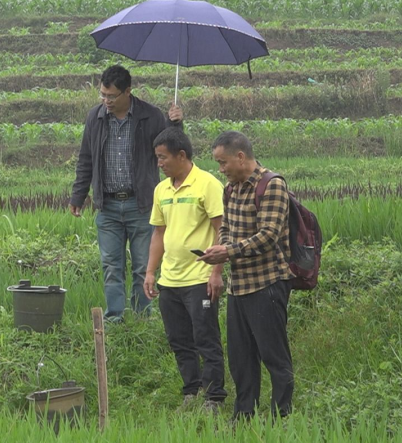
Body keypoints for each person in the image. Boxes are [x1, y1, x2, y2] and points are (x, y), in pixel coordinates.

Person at [70, 65, 183, 323]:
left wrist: (176, 124)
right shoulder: (95, 117)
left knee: (144, 266)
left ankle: (142, 318)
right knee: (111, 267)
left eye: (111, 96)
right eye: (102, 95)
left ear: (128, 92)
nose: (106, 101)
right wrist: (79, 195)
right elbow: (85, 158)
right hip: (108, 206)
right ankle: (115, 320)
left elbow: (174, 151)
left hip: (141, 204)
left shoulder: (151, 116)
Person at [199, 131, 294, 421]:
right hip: (238, 285)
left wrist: (227, 253)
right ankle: (244, 414)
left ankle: (282, 416)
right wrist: (222, 246)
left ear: (240, 157)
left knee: (273, 355)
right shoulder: (231, 189)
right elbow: (225, 227)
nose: (221, 169)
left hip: (267, 283)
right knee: (241, 358)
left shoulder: (272, 185)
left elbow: (268, 236)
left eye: (223, 162)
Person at [142, 127, 227, 413]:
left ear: (181, 155)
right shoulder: (161, 189)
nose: (159, 163)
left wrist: (216, 272)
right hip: (171, 280)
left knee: (206, 338)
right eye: (157, 158)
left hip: (199, 278)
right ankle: (191, 391)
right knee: (179, 339)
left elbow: (221, 230)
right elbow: (158, 234)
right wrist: (151, 271)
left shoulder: (208, 184)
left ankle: (214, 397)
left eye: (163, 157)